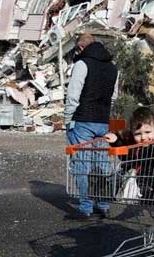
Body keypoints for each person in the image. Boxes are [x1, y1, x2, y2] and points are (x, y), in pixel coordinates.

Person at [65, 33, 118, 220]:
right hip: (103, 121)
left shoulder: (82, 64)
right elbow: (114, 96)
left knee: (82, 164)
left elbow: (73, 95)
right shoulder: (113, 67)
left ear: (80, 48)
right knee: (102, 164)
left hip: (82, 120)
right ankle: (103, 204)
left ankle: (86, 207)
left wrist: (67, 118)